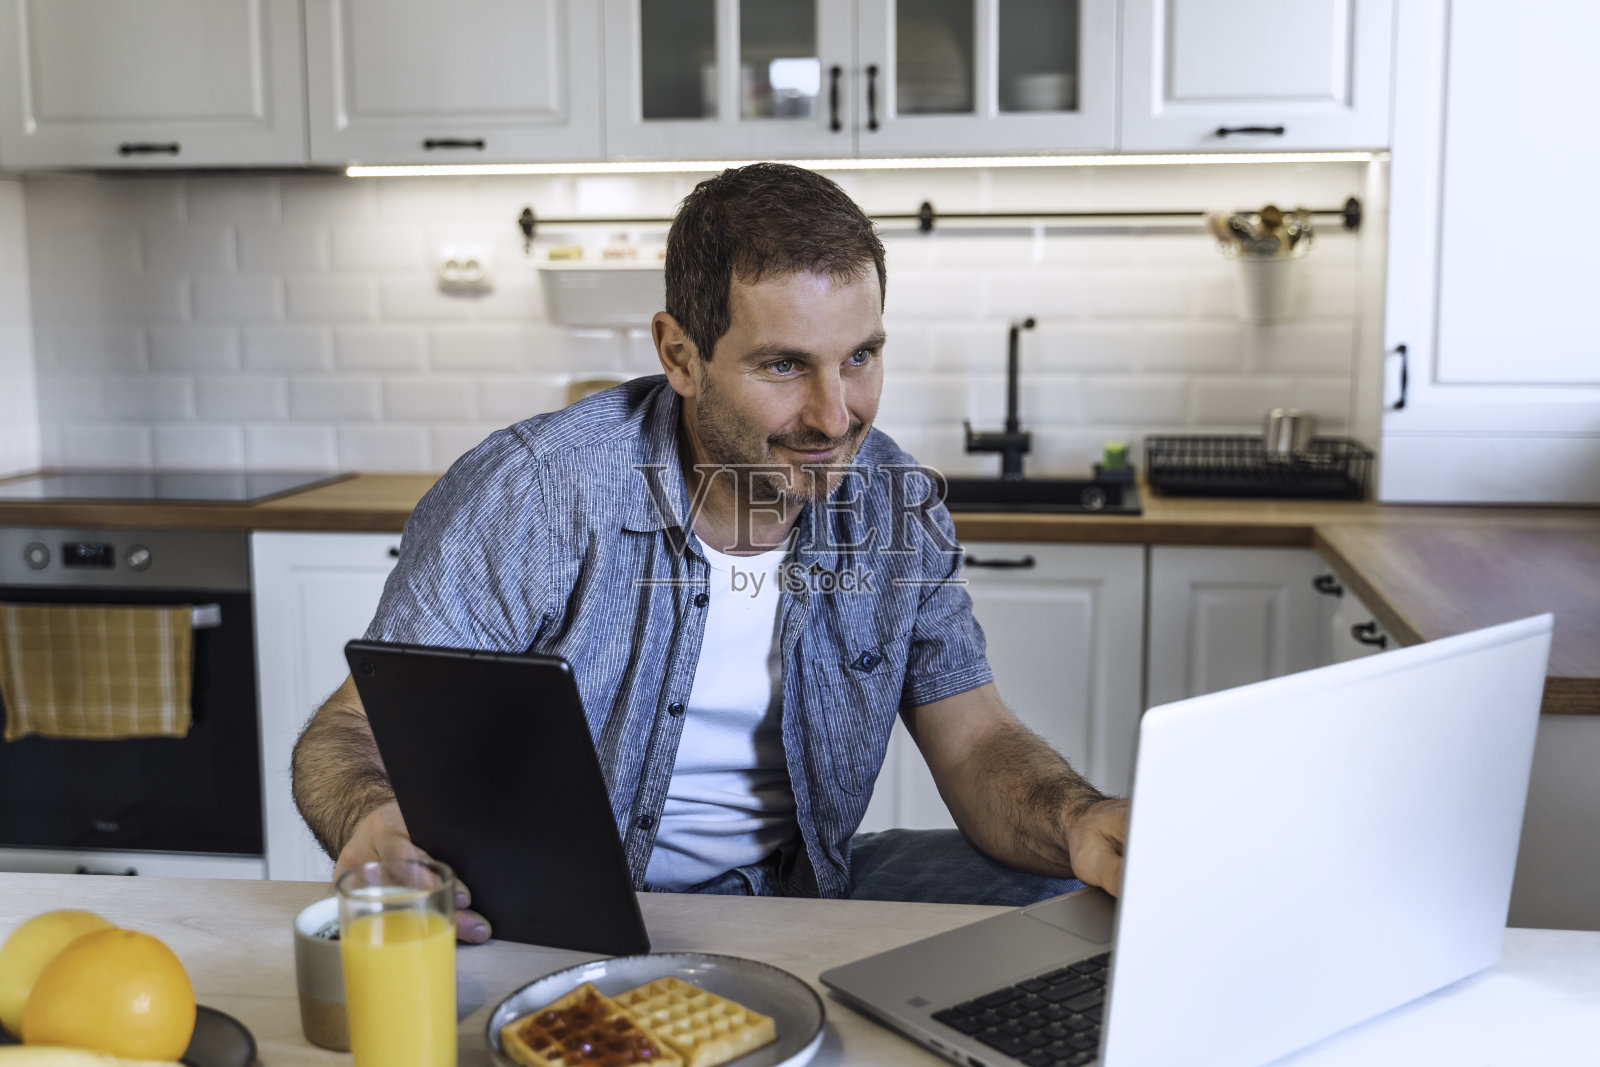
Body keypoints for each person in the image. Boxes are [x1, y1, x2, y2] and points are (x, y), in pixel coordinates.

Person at [291, 163, 1130, 943]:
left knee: (1077, 902)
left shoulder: (894, 501)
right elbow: (346, 732)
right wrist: (373, 816)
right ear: (679, 355)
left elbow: (976, 740)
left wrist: (1079, 821)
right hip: (568, 910)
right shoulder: (539, 491)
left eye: (860, 358)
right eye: (783, 365)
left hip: (808, 888)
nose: (835, 417)